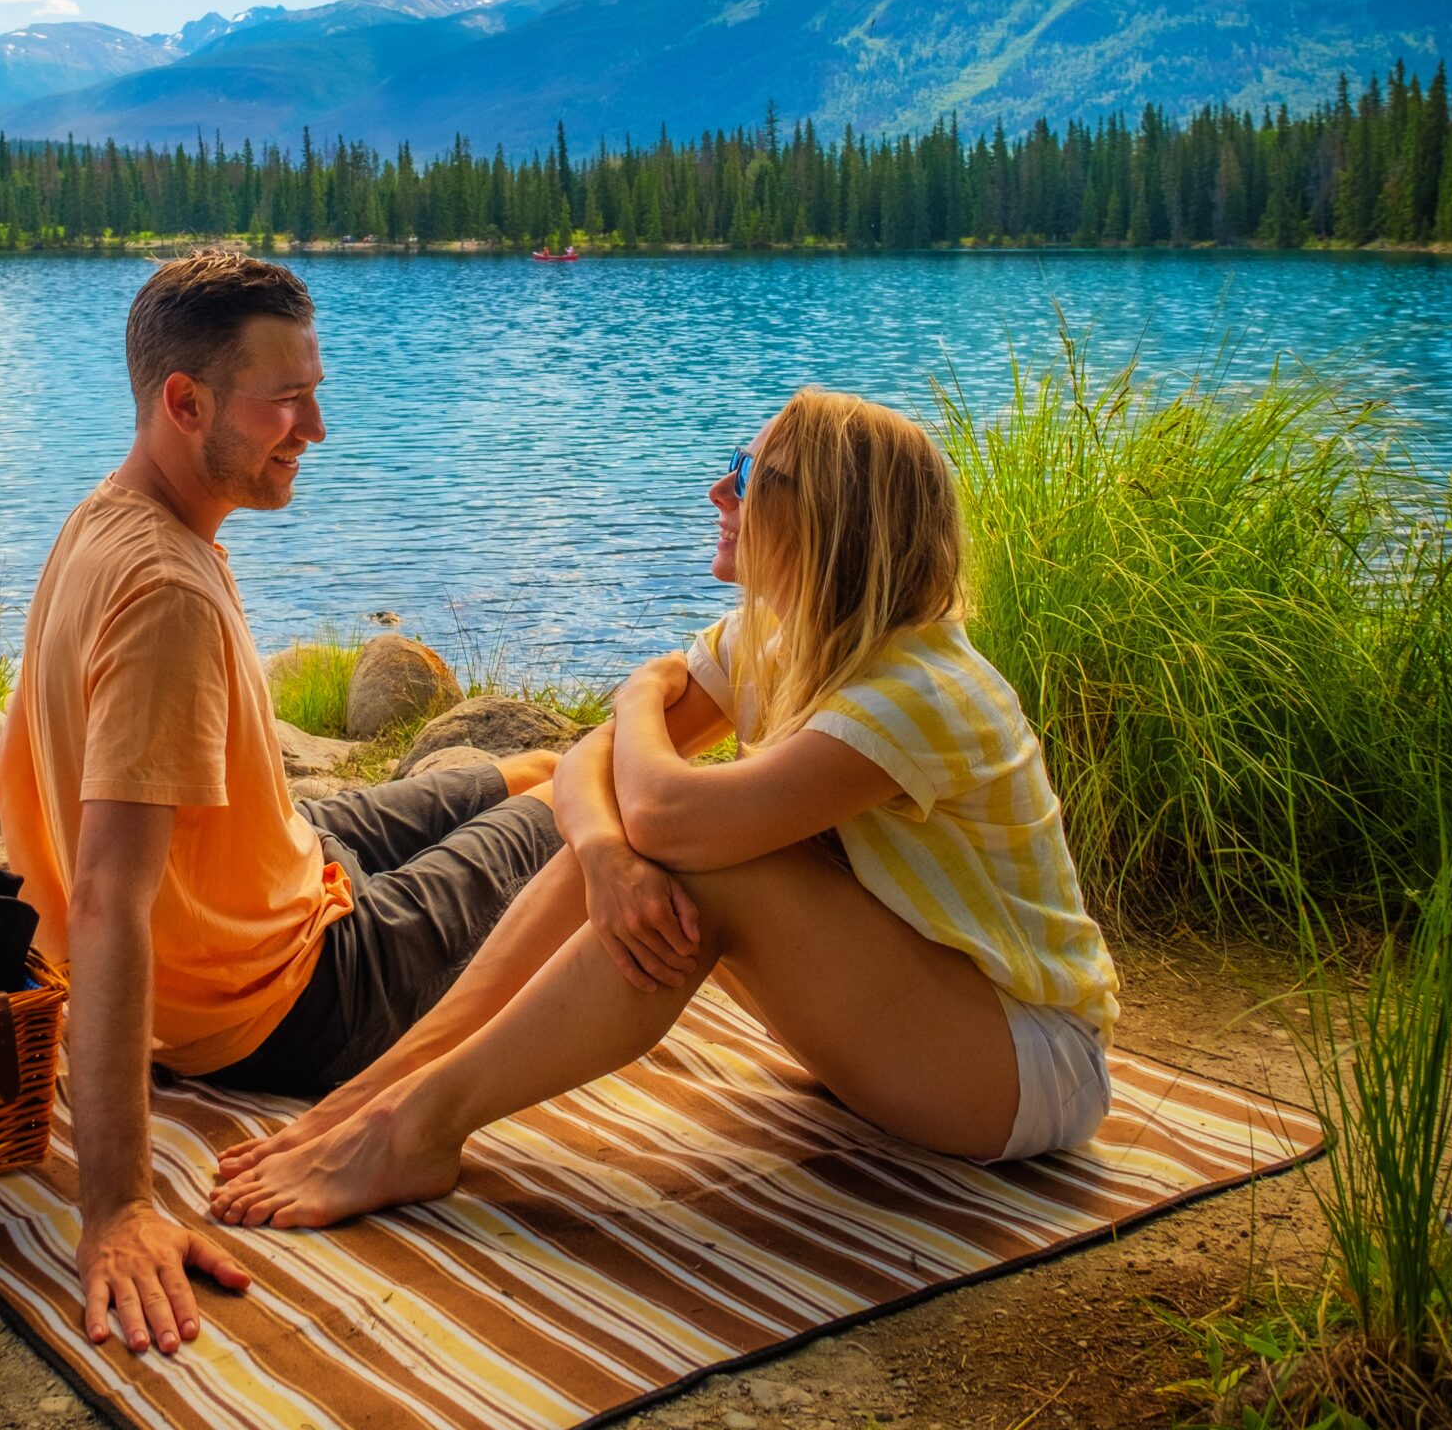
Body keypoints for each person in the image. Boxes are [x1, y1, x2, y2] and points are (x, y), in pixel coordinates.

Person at [209, 387, 1120, 1230]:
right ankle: (391, 1085)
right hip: (912, 1031)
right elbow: (587, 771)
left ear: (835, 519)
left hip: (1022, 1069)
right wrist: (606, 853)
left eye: (756, 477)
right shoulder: (781, 633)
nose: (720, 489)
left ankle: (418, 1130)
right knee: (632, 856)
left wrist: (642, 698)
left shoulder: (919, 689)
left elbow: (670, 814)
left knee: (699, 866)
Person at [0, 248, 564, 1359]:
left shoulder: (103, 517)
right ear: (184, 400)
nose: (314, 426)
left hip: (273, 876)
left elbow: (21, 760)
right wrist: (114, 1203)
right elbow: (110, 894)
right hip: (285, 1000)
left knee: (514, 771)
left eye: (315, 390)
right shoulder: (161, 590)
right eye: (285, 399)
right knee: (570, 812)